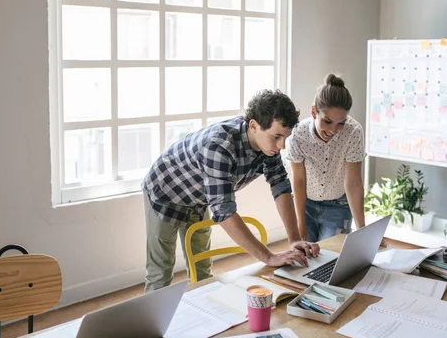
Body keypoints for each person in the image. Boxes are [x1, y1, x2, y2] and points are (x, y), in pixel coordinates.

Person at [142, 89, 321, 292]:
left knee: (202, 272)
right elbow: (224, 212)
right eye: (277, 137)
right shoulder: (219, 145)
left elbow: (280, 186)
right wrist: (269, 257)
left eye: (285, 138)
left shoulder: (267, 145)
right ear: (253, 125)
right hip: (164, 192)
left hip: (200, 198)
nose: (281, 146)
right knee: (161, 273)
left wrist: (295, 239)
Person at [286, 73, 366, 243]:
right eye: (328, 121)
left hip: (339, 206)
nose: (333, 130)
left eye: (341, 123)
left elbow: (353, 183)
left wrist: (363, 231)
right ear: (314, 111)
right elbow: (298, 181)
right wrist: (300, 225)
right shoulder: (297, 135)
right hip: (305, 204)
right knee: (306, 258)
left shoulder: (354, 132)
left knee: (332, 258)